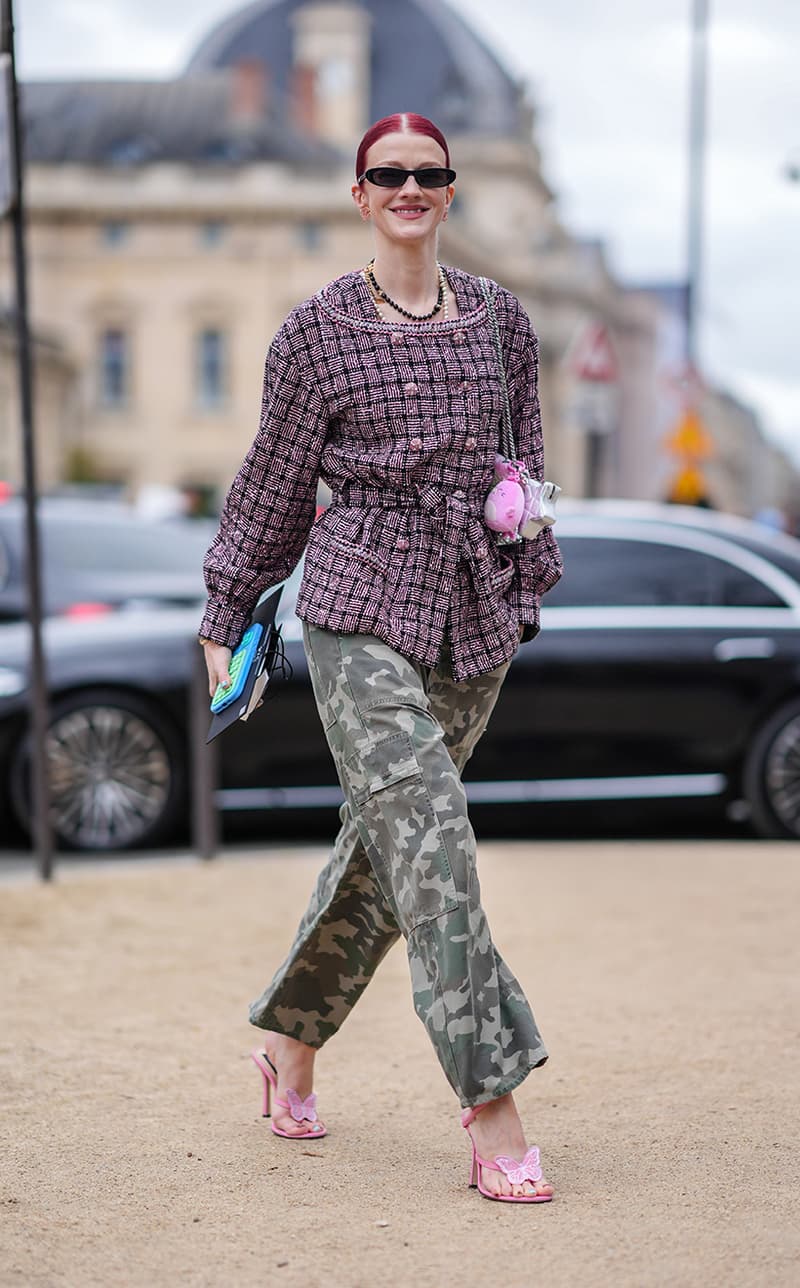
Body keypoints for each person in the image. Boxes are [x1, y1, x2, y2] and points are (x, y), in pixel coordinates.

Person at [199, 112, 562, 1203]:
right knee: (433, 839)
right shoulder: (312, 334)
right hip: (355, 595)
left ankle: (290, 1050)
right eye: (386, 175)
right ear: (359, 195)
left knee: (383, 850)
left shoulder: (503, 321)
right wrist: (226, 606)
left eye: (426, 174)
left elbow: (524, 464)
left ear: (447, 192)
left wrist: (529, 575)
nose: (408, 187)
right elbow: (272, 480)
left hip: (470, 608)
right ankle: (492, 1107)